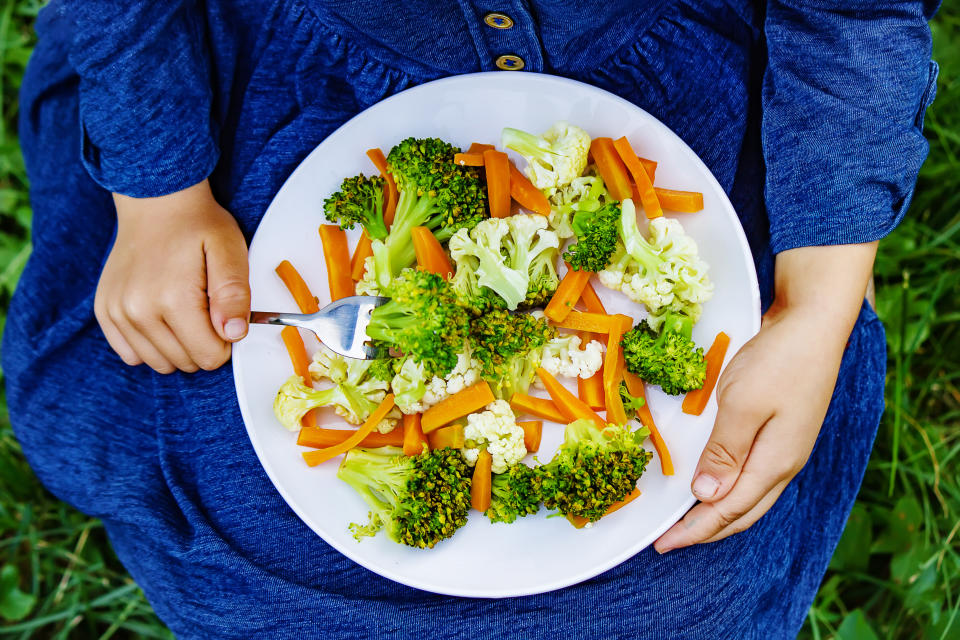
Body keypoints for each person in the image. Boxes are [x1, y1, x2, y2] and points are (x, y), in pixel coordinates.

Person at [3, 1, 939, 638]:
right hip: (282, 69)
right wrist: (161, 194)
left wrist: (817, 304)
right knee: (253, 517)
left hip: (686, 74)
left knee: (686, 572)